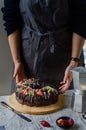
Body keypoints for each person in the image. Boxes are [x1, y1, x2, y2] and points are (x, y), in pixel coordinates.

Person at [2, 0, 86, 94]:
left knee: (67, 105)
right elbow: (11, 18)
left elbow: (81, 19)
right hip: (28, 59)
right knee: (26, 102)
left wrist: (73, 62)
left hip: (67, 58)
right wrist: (17, 61)